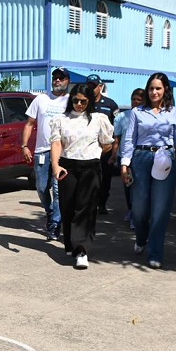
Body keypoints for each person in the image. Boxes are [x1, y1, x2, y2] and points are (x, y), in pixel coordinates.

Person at [120, 73, 176, 269]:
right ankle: (141, 237)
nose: (154, 92)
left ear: (165, 90)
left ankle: (155, 252)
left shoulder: (174, 112)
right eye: (151, 88)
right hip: (141, 159)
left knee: (160, 209)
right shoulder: (137, 112)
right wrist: (124, 164)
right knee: (139, 208)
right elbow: (129, 139)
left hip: (165, 159)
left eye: (158, 88)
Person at [50, 84, 114, 269]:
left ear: (90, 101)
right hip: (67, 166)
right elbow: (56, 143)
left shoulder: (98, 119)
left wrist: (96, 152)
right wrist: (55, 166)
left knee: (85, 208)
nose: (79, 104)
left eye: (83, 101)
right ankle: (71, 244)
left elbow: (107, 144)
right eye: (75, 100)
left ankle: (82, 250)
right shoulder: (61, 120)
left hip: (90, 167)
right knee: (67, 207)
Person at [22, 67, 70, 241]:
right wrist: (24, 146)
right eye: (55, 77)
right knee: (42, 188)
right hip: (42, 151)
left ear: (67, 81)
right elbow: (29, 124)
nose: (57, 80)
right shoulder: (41, 99)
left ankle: (55, 225)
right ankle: (50, 213)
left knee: (58, 190)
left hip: (62, 152)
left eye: (61, 78)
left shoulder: (70, 101)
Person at [109, 88, 145, 229]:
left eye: (139, 100)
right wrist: (113, 156)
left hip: (141, 157)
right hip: (125, 158)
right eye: (133, 99)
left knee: (140, 187)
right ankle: (131, 210)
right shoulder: (122, 117)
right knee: (129, 186)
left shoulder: (147, 116)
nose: (135, 102)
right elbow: (117, 139)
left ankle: (138, 215)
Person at [86, 74, 119, 214]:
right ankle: (90, 204)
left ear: (100, 86)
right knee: (88, 178)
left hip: (106, 149)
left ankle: (102, 203)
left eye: (94, 86)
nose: (91, 89)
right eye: (89, 86)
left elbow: (117, 129)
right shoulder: (84, 102)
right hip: (88, 149)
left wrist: (114, 152)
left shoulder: (110, 104)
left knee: (105, 179)